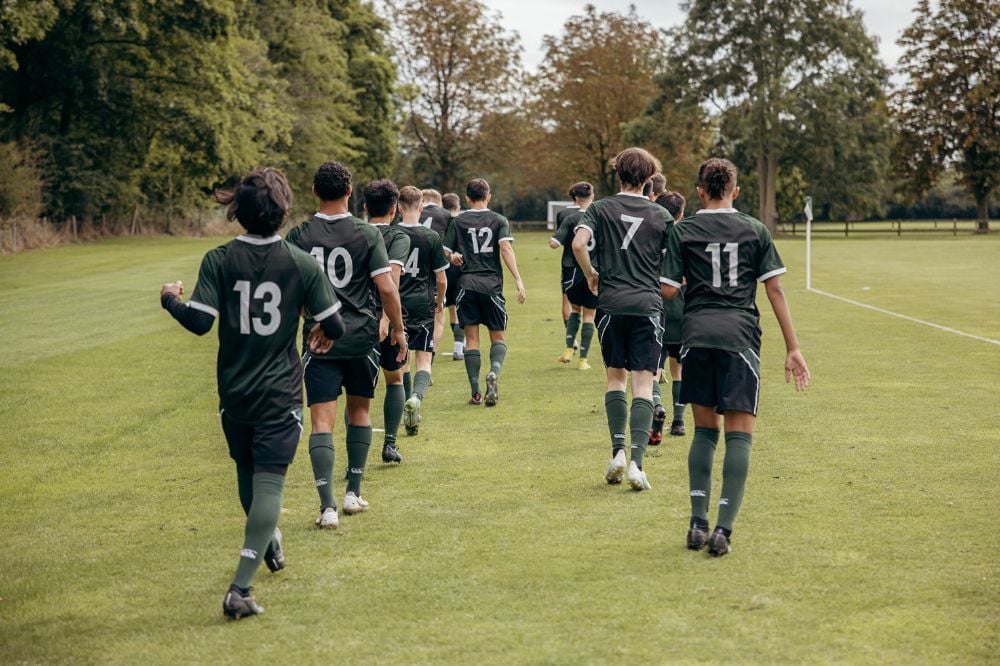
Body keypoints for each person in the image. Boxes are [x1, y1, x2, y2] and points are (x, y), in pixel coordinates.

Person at [159, 168, 345, 619]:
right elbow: (335, 324)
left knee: (248, 474)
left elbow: (200, 322)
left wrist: (169, 298)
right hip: (280, 393)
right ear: (283, 210)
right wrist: (322, 330)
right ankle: (240, 588)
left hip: (235, 392)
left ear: (237, 211)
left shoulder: (219, 259)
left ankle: (269, 539)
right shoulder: (302, 263)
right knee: (268, 484)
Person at [661, 158, 809, 556]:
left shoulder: (684, 230)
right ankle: (723, 530)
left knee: (704, 433)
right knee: (739, 434)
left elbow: (668, 291)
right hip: (740, 337)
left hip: (695, 336)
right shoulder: (755, 230)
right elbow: (774, 291)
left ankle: (696, 524)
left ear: (699, 191)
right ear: (736, 191)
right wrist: (793, 348)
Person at [286, 161, 407, 529]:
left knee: (321, 421)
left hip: (319, 340)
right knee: (360, 413)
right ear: (350, 192)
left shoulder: (299, 235)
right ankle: (353, 493)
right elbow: (387, 288)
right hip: (361, 338)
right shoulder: (366, 234)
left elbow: (292, 294)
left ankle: (327, 507)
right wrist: (398, 329)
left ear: (313, 192)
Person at [571, 147, 673, 492]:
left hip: (611, 304)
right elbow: (675, 262)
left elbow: (578, 243)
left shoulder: (600, 208)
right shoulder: (661, 214)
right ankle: (636, 464)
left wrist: (590, 275)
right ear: (648, 179)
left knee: (615, 379)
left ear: (618, 175)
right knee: (644, 384)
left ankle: (616, 452)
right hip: (647, 305)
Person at [443, 178, 526, 406]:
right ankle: (494, 373)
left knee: (471, 340)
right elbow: (506, 248)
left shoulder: (458, 221)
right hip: (491, 286)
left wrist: (453, 257)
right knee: (498, 338)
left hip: (466, 285)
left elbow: (445, 252)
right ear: (488, 196)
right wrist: (518, 279)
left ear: (467, 198)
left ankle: (475, 392)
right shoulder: (498, 220)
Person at [364, 179, 410, 464]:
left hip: (357, 318)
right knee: (395, 379)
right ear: (395, 209)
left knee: (359, 392)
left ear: (366, 207)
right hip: (386, 316)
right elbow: (391, 280)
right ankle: (390, 444)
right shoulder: (398, 237)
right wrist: (391, 321)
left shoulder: (356, 232)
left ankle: (354, 459)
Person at [397, 186, 449, 434]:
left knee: (401, 360)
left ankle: (406, 405)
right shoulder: (431, 237)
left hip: (397, 304)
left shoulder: (391, 234)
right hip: (423, 303)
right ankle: (416, 399)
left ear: (398, 207)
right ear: (420, 207)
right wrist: (440, 300)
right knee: (424, 360)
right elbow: (442, 278)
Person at [648, 190, 689, 445]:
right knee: (679, 369)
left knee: (651, 370)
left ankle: (657, 405)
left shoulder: (650, 237)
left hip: (655, 309)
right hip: (682, 312)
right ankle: (680, 422)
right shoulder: (687, 237)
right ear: (681, 213)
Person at [549, 182, 597, 370]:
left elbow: (554, 243)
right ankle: (583, 361)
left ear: (575, 198)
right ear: (592, 196)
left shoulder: (570, 218)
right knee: (589, 316)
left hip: (572, 273)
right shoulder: (600, 217)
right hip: (594, 272)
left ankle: (569, 349)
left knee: (574, 309)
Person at [439, 191, 465, 361]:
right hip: (460, 268)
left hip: (442, 269)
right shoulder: (461, 222)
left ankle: (457, 347)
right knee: (460, 309)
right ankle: (459, 347)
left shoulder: (439, 221)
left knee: (449, 310)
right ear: (458, 206)